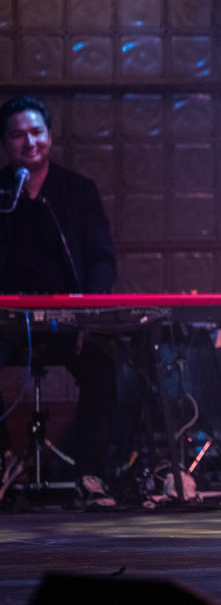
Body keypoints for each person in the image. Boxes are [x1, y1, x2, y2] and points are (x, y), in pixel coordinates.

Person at [0, 95, 118, 507]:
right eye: (18, 135)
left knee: (103, 366)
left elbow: (102, 258)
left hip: (68, 315)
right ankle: (4, 460)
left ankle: (90, 472)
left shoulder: (77, 191)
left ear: (49, 135)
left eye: (36, 132)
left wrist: (89, 311)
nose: (29, 142)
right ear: (6, 142)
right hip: (9, 317)